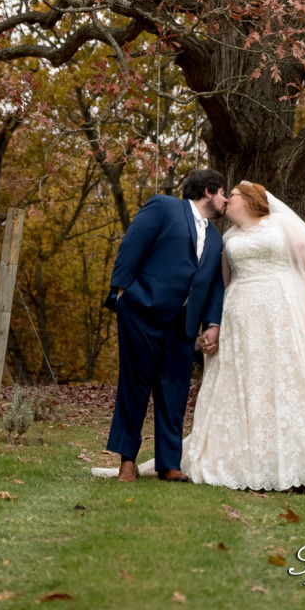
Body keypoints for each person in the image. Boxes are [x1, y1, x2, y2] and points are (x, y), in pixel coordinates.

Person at [95, 182, 305, 496]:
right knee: (243, 385)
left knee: (285, 383)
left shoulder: (279, 225)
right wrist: (215, 323)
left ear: (250, 200)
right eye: (223, 193)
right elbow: (220, 284)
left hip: (282, 313)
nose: (227, 199)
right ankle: (214, 460)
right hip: (239, 318)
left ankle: (299, 460)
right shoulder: (225, 237)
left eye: (233, 194)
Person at [102, 169, 228, 482]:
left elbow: (214, 284)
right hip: (141, 312)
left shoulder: (216, 238)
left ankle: (169, 464)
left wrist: (212, 322)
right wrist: (122, 292)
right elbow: (132, 245)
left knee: (174, 392)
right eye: (223, 193)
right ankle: (127, 461)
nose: (226, 200)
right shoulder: (164, 206)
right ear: (208, 191)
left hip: (183, 325)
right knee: (134, 387)